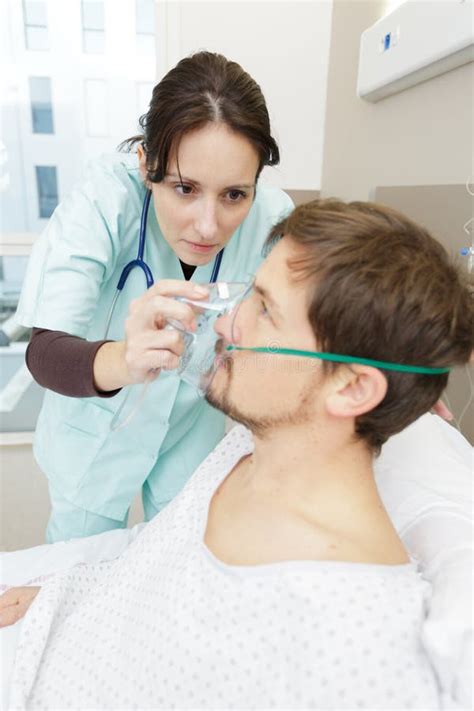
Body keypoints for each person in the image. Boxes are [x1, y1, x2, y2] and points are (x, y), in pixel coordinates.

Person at [2, 199, 472, 709]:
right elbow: (158, 572)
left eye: (264, 310)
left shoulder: (355, 641)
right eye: (248, 293)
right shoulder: (247, 447)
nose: (225, 325)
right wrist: (68, 599)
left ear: (354, 388)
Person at [15, 51, 294, 543]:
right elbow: (44, 353)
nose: (209, 226)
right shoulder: (105, 200)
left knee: (182, 555)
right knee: (83, 573)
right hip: (94, 432)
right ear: (147, 163)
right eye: (184, 188)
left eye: (235, 195)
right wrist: (127, 359)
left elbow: (319, 312)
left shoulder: (275, 216)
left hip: (191, 428)